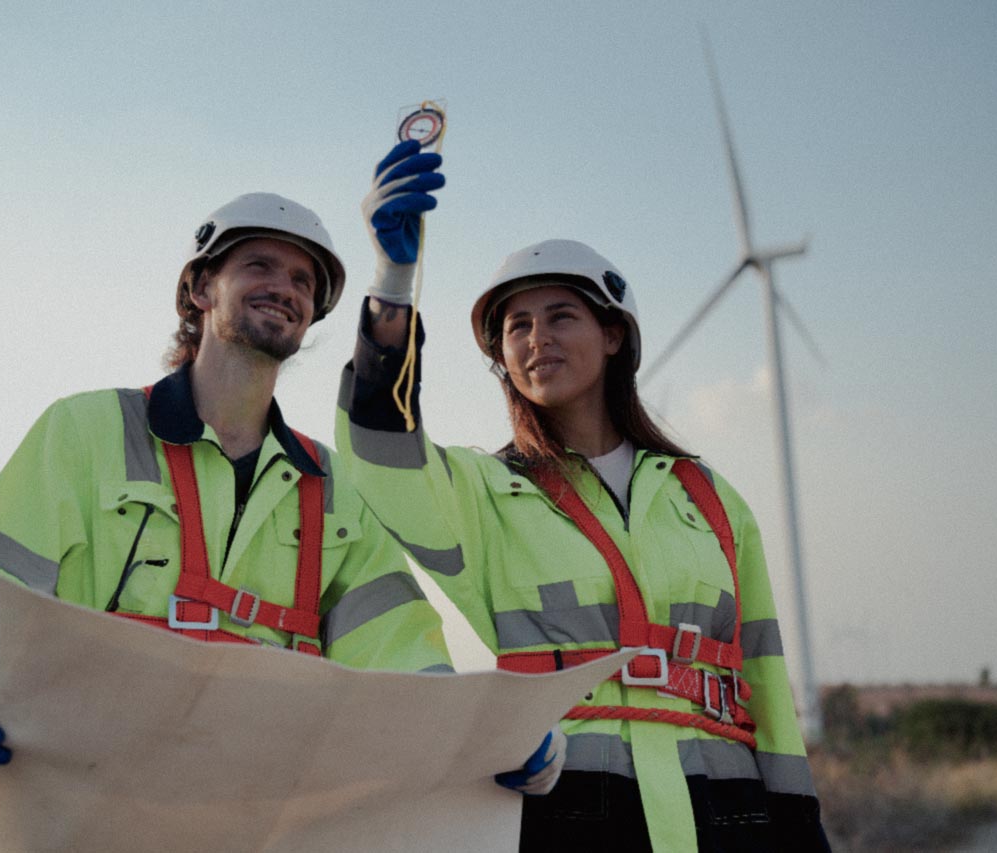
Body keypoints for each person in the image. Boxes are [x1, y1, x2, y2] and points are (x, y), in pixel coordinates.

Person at [338, 143, 830, 851]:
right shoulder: (485, 491)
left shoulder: (712, 500)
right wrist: (394, 280)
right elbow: (378, 454)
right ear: (501, 359)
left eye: (560, 315)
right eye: (517, 326)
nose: (537, 338)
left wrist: (799, 824)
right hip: (570, 814)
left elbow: (767, 684)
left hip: (730, 812)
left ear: (611, 334)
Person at [0, 192, 457, 775]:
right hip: (79, 792)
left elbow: (403, 660)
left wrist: (481, 739)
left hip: (251, 806)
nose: (285, 287)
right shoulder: (84, 431)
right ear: (201, 289)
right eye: (259, 265)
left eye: (302, 280)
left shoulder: (339, 487)